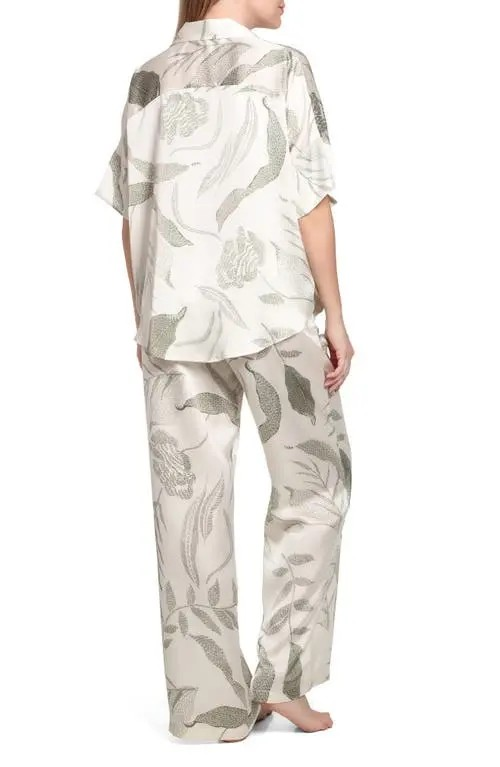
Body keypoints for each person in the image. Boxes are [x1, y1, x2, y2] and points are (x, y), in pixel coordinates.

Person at [95, 0, 355, 743]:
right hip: (272, 314)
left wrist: (143, 319)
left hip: (171, 320)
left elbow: (132, 214)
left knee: (187, 509)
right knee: (316, 485)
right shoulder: (282, 67)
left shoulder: (149, 78)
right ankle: (286, 682)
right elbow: (311, 200)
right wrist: (336, 317)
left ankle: (207, 707)